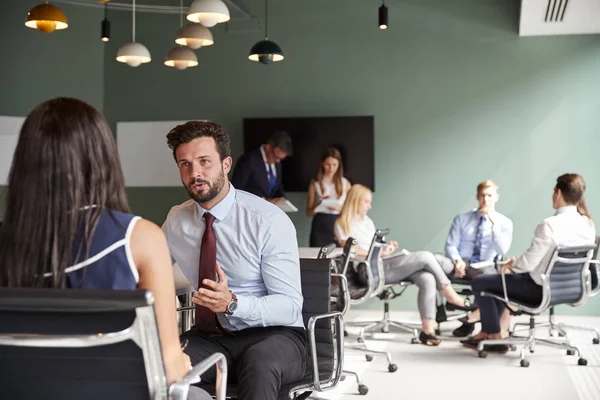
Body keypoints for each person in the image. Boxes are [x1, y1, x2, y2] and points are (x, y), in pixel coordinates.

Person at [0, 98, 201, 395]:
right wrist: (182, 361)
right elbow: (168, 367)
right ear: (102, 158)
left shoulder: (6, 241)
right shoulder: (140, 238)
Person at [162, 121, 306, 400]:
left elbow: (290, 307)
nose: (195, 173)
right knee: (158, 366)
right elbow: (145, 269)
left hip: (274, 335)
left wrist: (233, 303)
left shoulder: (268, 221)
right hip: (212, 336)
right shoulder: (176, 220)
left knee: (260, 366)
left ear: (226, 164)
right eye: (185, 164)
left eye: (205, 161)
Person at [463, 173, 596, 353]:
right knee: (499, 284)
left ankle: (493, 334)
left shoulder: (550, 225)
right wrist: (516, 264)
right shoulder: (587, 224)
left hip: (537, 290)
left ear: (557, 193)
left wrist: (510, 264)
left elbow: (527, 265)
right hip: (571, 289)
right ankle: (493, 332)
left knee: (481, 282)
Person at [334, 184, 474, 345]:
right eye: (366, 202)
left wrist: (385, 250)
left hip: (380, 264)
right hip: (367, 271)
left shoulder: (367, 222)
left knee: (427, 277)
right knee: (425, 257)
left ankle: (428, 331)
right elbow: (350, 248)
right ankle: (450, 294)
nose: (369, 206)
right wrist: (379, 253)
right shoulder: (342, 223)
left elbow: (373, 249)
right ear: (356, 201)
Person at [442, 180, 513, 337]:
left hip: (485, 264)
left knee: (487, 278)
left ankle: (474, 317)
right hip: (462, 263)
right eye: (482, 195)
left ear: (496, 197)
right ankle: (441, 313)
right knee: (435, 266)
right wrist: (457, 260)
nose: (485, 200)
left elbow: (502, 250)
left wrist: (494, 225)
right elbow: (450, 245)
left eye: (489, 195)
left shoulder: (505, 223)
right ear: (477, 196)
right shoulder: (462, 219)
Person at [306, 147, 351, 247]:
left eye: (334, 165)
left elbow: (351, 210)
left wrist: (339, 208)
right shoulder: (315, 184)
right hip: (320, 225)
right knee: (319, 257)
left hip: (339, 223)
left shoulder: (346, 184)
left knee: (339, 257)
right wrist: (320, 204)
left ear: (339, 165)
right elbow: (308, 213)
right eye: (328, 164)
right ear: (322, 164)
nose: (331, 168)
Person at [230, 131, 292, 204]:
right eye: (276, 157)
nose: (278, 161)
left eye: (281, 159)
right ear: (268, 147)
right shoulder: (249, 160)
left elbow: (277, 186)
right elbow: (237, 189)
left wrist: (283, 199)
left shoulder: (277, 162)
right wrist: (262, 202)